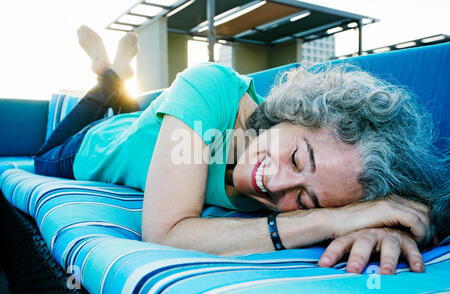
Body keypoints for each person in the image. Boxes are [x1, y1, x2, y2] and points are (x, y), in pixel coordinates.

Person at [34, 26, 449, 275]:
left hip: (149, 132)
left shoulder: (320, 189)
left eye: (304, 200)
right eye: (297, 158)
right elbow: (164, 233)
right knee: (45, 154)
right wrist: (326, 217)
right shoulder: (210, 85)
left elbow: (408, 210)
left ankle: (120, 85)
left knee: (140, 117)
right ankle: (108, 76)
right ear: (298, 112)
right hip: (91, 146)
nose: (275, 184)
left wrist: (375, 224)